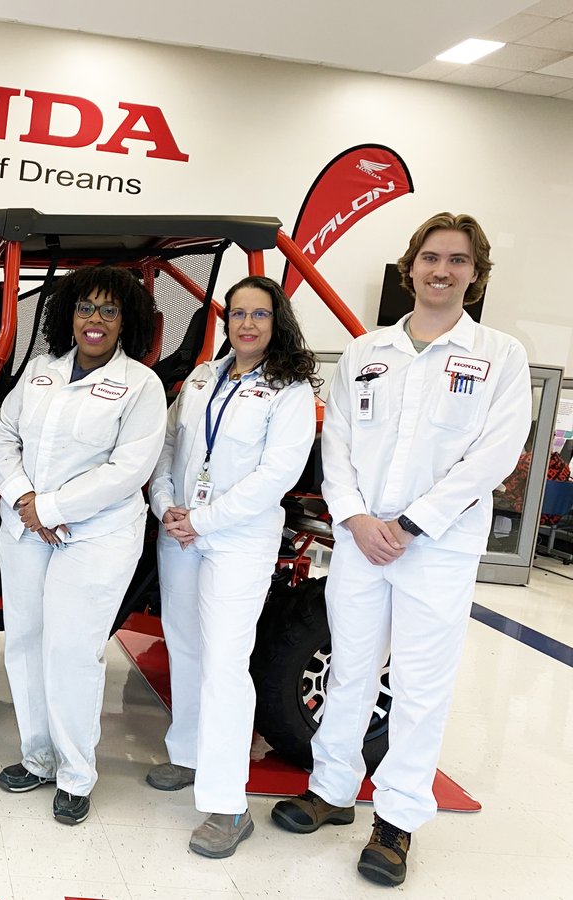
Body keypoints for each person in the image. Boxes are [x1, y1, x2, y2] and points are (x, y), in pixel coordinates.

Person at [271, 213, 532, 886]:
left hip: (437, 548)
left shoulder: (500, 356)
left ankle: (397, 820)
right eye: (430, 258)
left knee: (419, 684)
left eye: (457, 260)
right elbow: (340, 448)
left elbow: (493, 457)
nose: (441, 270)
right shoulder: (367, 353)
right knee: (350, 668)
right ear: (409, 267)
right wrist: (356, 518)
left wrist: (413, 524)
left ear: (476, 274)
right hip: (360, 542)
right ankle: (331, 791)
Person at [145, 275, 318, 856]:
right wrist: (166, 505)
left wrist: (206, 519)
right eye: (238, 313)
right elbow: (166, 446)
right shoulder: (202, 376)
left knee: (224, 661)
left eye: (260, 315)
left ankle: (228, 805)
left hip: (236, 539)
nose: (247, 324)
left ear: (278, 322)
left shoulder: (288, 389)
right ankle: (190, 754)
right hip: (182, 532)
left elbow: (278, 475)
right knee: (186, 646)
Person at [0, 266, 166, 825]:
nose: (95, 319)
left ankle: (75, 772)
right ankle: (37, 756)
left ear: (126, 322)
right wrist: (23, 499)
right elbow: (3, 435)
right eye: (86, 307)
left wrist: (52, 507)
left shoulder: (142, 384)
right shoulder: (41, 371)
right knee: (25, 641)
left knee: (70, 649)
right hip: (25, 527)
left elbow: (127, 468)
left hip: (96, 535)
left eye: (109, 311)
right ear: (69, 314)